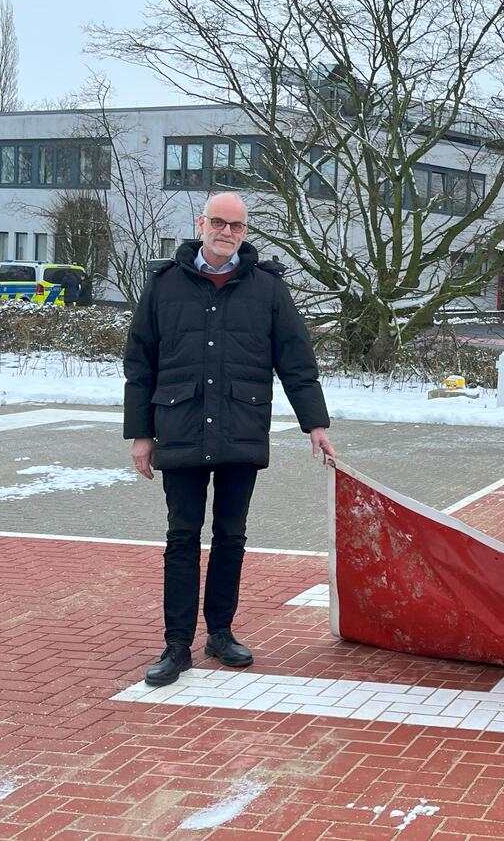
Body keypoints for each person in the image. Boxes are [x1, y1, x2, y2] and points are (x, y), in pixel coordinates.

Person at [124, 192, 335, 687]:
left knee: (231, 537)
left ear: (245, 232)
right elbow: (140, 364)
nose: (227, 232)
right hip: (180, 426)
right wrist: (140, 433)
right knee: (181, 537)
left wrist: (316, 424)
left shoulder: (267, 289)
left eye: (237, 226)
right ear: (201, 223)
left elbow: (297, 363)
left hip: (241, 427)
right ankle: (177, 645)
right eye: (218, 222)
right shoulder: (164, 286)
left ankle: (220, 632)